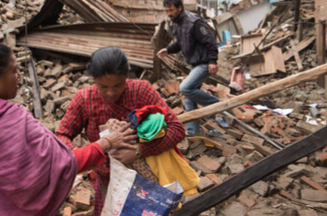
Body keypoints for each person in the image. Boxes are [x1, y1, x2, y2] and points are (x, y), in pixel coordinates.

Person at [0, 43, 136, 216]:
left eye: (117, 85)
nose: (19, 76)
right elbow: (63, 163)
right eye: (14, 71)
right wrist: (107, 143)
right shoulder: (14, 118)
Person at [56, 47, 186, 216]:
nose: (111, 93)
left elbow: (177, 129)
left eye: (118, 85)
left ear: (126, 76)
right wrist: (90, 155)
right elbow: (61, 136)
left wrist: (139, 151)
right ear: (94, 79)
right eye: (103, 87)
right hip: (109, 181)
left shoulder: (141, 91)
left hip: (147, 179)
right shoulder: (84, 99)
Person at [157, 0, 219, 136]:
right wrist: (167, 50)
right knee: (188, 97)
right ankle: (193, 132)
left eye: (171, 10)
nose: (169, 14)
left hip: (204, 62)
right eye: (167, 11)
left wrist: (213, 60)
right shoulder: (177, 22)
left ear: (179, 8)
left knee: (185, 88)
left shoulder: (194, 22)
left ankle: (217, 106)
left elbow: (210, 40)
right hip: (194, 63)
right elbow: (180, 43)